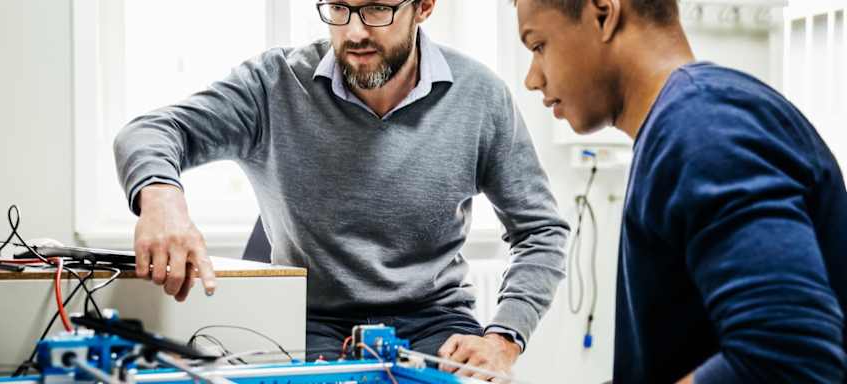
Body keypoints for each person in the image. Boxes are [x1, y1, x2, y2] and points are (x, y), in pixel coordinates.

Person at [114, 0, 570, 379]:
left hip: (435, 321)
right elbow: (150, 132)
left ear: (425, 7)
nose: (353, 33)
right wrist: (162, 198)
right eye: (338, 8)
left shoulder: (480, 96)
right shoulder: (272, 85)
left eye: (376, 9)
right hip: (309, 322)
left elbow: (541, 231)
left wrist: (504, 336)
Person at [513, 0, 847, 382]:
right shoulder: (683, 124)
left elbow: (788, 359)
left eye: (538, 46)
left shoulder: (703, 124)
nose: (532, 78)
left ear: (603, 15)